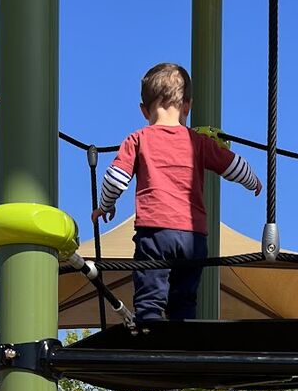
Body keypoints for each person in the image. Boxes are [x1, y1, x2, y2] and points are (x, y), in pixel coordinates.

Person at [96, 62, 262, 325]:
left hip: (155, 233)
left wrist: (105, 205)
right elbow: (233, 165)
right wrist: (253, 181)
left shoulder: (138, 139)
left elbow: (115, 179)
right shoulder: (199, 142)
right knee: (184, 301)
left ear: (143, 110)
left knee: (149, 300)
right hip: (193, 238)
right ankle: (181, 346)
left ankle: (150, 340)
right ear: (187, 105)